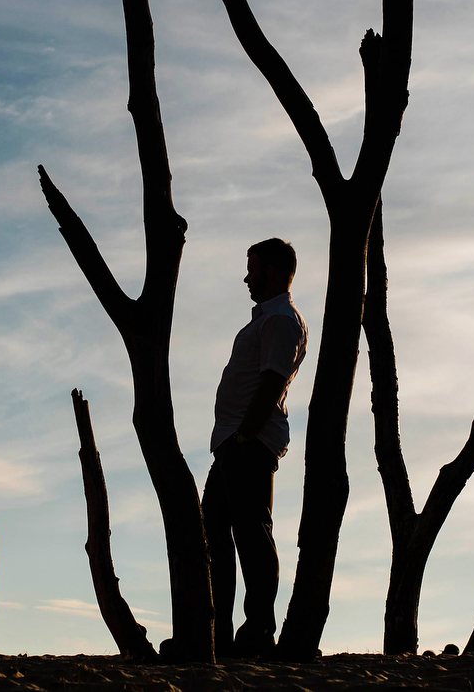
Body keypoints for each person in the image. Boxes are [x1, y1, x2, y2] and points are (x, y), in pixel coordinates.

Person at [204, 238, 308, 659]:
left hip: (247, 444)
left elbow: (272, 381)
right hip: (233, 443)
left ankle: (258, 631)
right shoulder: (267, 319)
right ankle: (219, 633)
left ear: (271, 270)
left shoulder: (281, 320)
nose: (246, 277)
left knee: (251, 534)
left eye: (252, 268)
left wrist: (245, 435)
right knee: (215, 533)